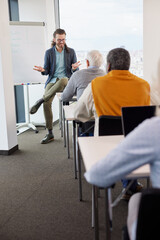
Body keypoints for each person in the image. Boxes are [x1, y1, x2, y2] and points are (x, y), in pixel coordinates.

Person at [73, 47, 150, 199]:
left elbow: (78, 114)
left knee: (89, 130)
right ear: (129, 65)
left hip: (104, 148)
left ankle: (102, 176)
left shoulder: (96, 84)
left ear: (108, 66)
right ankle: (131, 186)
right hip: (135, 148)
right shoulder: (144, 85)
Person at [84, 106, 160, 240]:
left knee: (138, 200)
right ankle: (131, 187)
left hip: (104, 139)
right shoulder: (143, 85)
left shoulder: (154, 129)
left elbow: (97, 176)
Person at [30, 28, 80, 144]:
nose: (61, 42)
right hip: (52, 81)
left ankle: (41, 99)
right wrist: (43, 70)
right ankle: (50, 133)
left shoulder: (71, 52)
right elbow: (46, 70)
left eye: (63, 39)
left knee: (63, 80)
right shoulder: (49, 52)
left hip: (65, 80)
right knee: (47, 104)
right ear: (54, 39)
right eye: (59, 40)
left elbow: (75, 70)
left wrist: (74, 68)